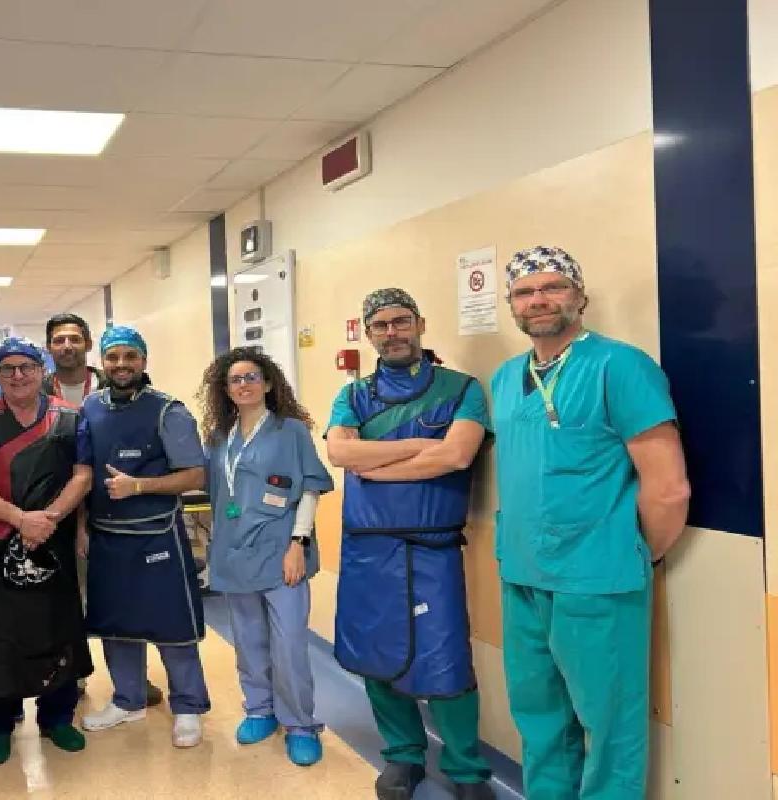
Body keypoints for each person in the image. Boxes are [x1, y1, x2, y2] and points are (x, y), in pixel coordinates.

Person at [492, 246, 690, 799]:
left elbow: (669, 488)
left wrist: (628, 551)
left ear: (580, 296)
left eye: (553, 287)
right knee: (539, 719)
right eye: (525, 291)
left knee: (610, 727)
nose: (538, 299)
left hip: (598, 581)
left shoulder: (620, 366)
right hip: (523, 574)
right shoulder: (506, 377)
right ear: (512, 305)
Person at [325, 289, 496, 800]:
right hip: (368, 547)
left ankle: (466, 768)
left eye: (401, 321)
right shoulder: (353, 395)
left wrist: (375, 463)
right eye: (380, 325)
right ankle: (402, 756)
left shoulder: (462, 389)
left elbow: (457, 456)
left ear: (420, 324)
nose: (392, 332)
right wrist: (422, 446)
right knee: (377, 653)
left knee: (446, 659)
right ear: (369, 334)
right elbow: (340, 453)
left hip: (432, 548)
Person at [0, 337, 94, 766]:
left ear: (41, 370)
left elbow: (82, 476)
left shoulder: (70, 417)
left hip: (52, 541)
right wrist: (20, 519)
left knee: (57, 628)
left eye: (27, 367)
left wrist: (47, 520)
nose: (18, 376)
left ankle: (58, 717)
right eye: (8, 368)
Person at [197, 347, 333, 767]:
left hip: (281, 552)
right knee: (248, 639)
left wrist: (299, 544)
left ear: (269, 383)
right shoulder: (219, 438)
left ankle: (300, 725)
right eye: (235, 379)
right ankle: (259, 709)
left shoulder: (291, 431)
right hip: (234, 553)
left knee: (289, 644)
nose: (244, 385)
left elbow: (310, 488)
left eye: (251, 377)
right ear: (225, 389)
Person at [79, 325, 212, 748]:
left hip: (157, 536)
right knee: (115, 625)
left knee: (173, 626)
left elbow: (195, 475)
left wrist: (139, 486)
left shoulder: (168, 411)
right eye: (113, 357)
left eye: (130, 356)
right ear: (102, 361)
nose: (121, 365)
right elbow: (82, 473)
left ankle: (188, 707)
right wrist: (81, 527)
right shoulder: (90, 407)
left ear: (143, 360)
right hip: (105, 535)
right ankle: (128, 699)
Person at [43, 311, 164, 708]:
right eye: (58, 340)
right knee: (64, 598)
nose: (67, 346)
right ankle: (71, 675)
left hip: (112, 508)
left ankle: (133, 679)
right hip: (53, 509)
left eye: (74, 339)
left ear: (88, 344)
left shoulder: (117, 384)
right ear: (49, 347)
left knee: (123, 596)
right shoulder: (37, 390)